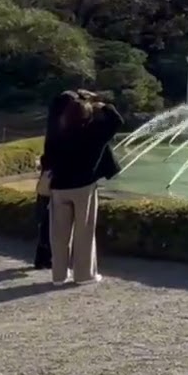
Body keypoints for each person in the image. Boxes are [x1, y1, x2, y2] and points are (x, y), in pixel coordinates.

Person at [42, 93, 124, 286]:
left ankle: (59, 276)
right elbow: (117, 120)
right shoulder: (94, 133)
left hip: (59, 187)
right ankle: (84, 275)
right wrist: (100, 102)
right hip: (83, 187)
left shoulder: (58, 133)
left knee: (58, 234)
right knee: (84, 231)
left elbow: (47, 159)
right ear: (87, 115)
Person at [34, 91, 85, 269]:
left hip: (49, 176)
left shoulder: (53, 125)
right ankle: (53, 256)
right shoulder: (68, 128)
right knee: (56, 219)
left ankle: (42, 255)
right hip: (61, 178)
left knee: (46, 216)